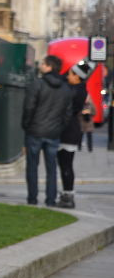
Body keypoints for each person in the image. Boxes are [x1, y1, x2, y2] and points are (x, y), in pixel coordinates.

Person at [22, 54, 73, 207]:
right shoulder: (65, 88)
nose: (41, 65)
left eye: (43, 64)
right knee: (52, 169)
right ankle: (50, 200)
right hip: (54, 133)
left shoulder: (37, 84)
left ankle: (32, 198)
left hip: (35, 131)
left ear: (49, 67)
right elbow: (67, 114)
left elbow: (29, 107)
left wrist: (26, 125)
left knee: (32, 167)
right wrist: (59, 128)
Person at [56, 60, 94, 209]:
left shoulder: (75, 91)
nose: (67, 76)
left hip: (68, 131)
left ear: (77, 77)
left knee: (66, 164)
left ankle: (68, 195)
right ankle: (67, 193)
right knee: (65, 164)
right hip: (71, 130)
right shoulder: (79, 89)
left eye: (70, 74)